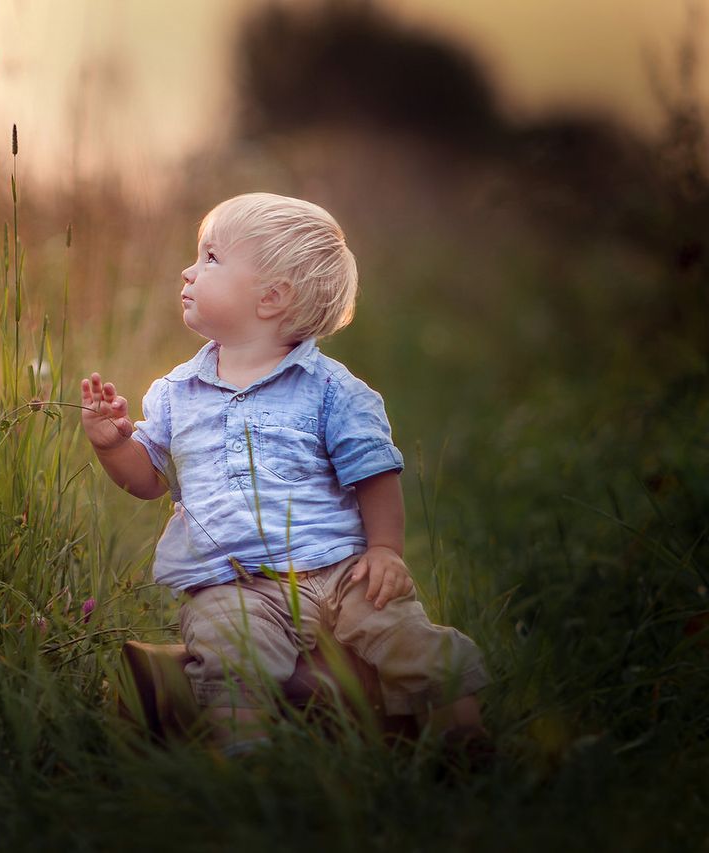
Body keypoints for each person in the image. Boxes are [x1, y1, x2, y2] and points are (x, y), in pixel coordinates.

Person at [80, 193, 489, 754]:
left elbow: (374, 474)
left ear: (271, 298)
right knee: (230, 652)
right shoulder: (176, 392)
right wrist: (112, 446)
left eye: (210, 258)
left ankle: (462, 740)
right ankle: (247, 755)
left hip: (341, 570)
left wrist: (386, 551)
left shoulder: (331, 390)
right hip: (234, 581)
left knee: (405, 637)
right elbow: (148, 480)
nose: (188, 270)